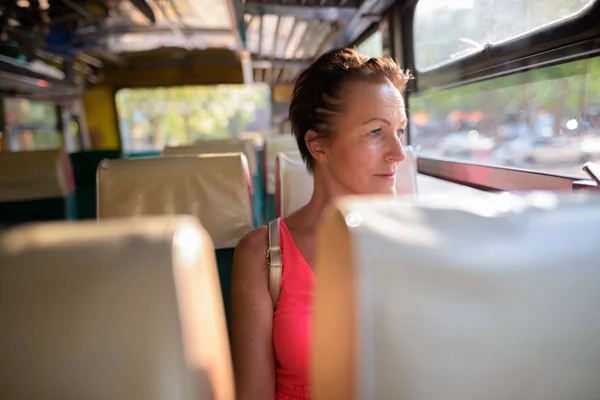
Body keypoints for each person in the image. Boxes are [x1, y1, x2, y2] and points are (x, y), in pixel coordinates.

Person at [230, 47, 411, 400]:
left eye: (399, 131)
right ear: (318, 146)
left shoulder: (419, 240)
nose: (399, 153)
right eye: (376, 132)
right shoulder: (264, 255)